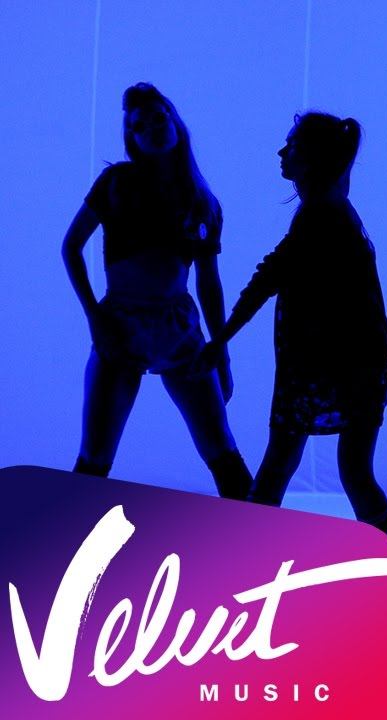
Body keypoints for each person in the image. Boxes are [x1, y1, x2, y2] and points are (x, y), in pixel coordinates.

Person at [199, 113, 387, 529]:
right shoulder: (331, 208)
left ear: (312, 157)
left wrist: (221, 339)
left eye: (292, 146)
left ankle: (246, 554)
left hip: (327, 364)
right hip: (355, 362)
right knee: (351, 471)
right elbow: (272, 276)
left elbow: (267, 279)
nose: (281, 152)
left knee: (283, 467)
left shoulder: (319, 215)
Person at [62, 82, 251, 498]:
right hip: (121, 324)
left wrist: (220, 349)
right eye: (140, 125)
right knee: (94, 457)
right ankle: (60, 537)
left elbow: (209, 281)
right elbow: (71, 246)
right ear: (132, 137)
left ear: (175, 122)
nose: (153, 128)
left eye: (159, 118)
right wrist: (95, 318)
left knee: (221, 449)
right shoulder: (116, 182)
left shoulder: (202, 200)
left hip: (178, 329)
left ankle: (263, 535)